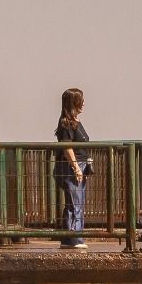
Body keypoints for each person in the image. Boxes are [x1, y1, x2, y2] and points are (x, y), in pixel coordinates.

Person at [52, 88, 90, 250]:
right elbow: (67, 147)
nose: (83, 104)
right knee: (75, 203)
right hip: (71, 167)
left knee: (75, 202)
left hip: (80, 165)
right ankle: (74, 238)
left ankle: (69, 238)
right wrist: (76, 167)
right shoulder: (66, 123)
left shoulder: (76, 122)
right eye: (80, 101)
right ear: (73, 103)